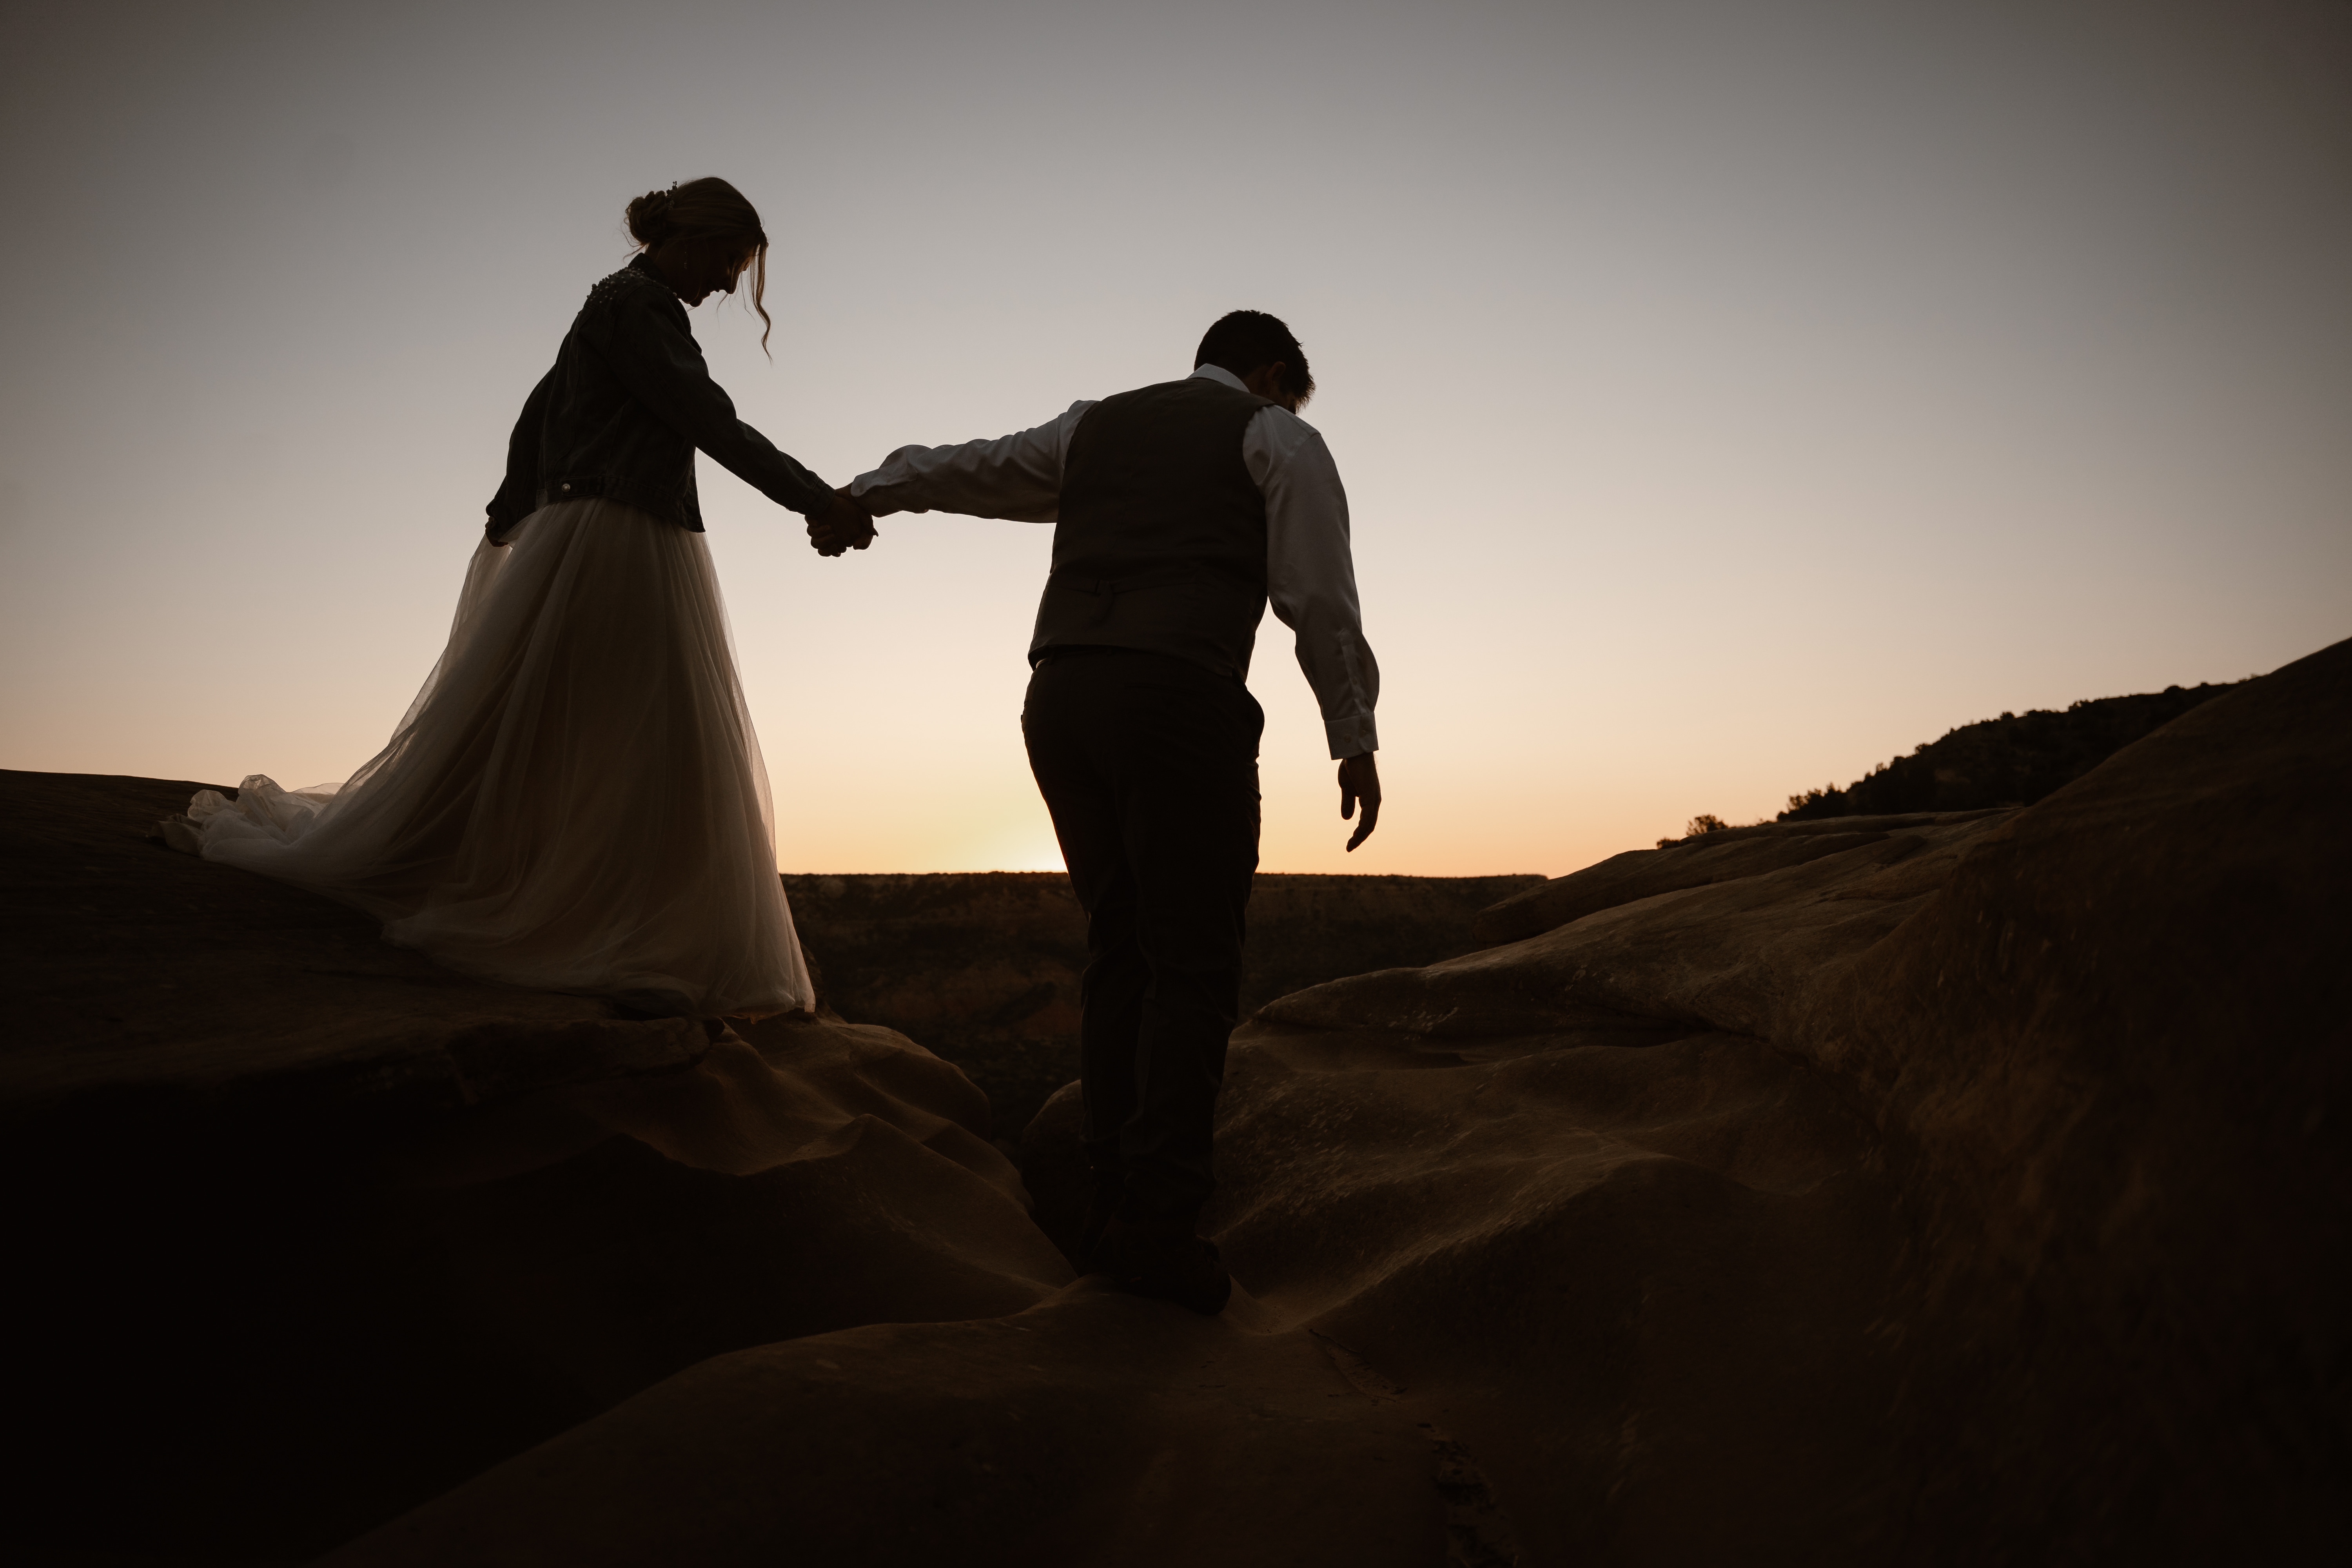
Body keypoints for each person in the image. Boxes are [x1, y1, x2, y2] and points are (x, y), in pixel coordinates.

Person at [164, 178, 874, 1019]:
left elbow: (537, 413)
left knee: (574, 725)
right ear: (689, 238)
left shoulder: (610, 303)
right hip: (622, 537)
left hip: (587, 529)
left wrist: (512, 507)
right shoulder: (642, 308)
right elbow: (708, 420)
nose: (726, 283)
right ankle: (632, 932)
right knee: (646, 734)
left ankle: (602, 910)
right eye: (726, 259)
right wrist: (817, 499)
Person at [837, 310, 1381, 1314]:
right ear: (1272, 373)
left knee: (1119, 944)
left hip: (1062, 697)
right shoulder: (1279, 438)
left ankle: (1103, 1204)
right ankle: (1158, 1224)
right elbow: (1321, 597)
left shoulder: (1096, 426)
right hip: (1178, 698)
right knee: (1193, 959)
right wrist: (1353, 734)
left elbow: (976, 466)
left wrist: (870, 491)